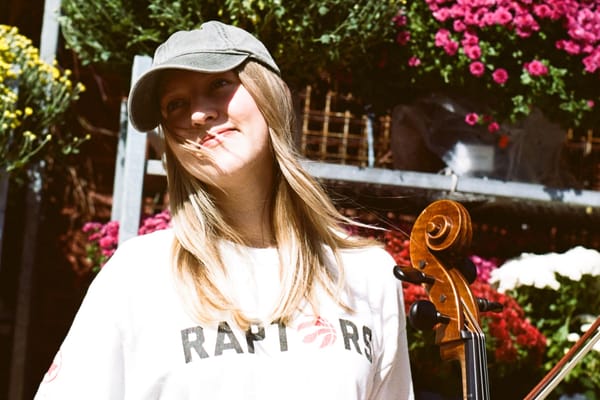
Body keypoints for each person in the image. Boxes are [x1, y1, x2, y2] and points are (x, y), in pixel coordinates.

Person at [35, 20, 414, 399]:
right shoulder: (137, 273)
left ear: (273, 94)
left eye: (219, 83)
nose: (198, 115)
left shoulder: (369, 274)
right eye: (175, 105)